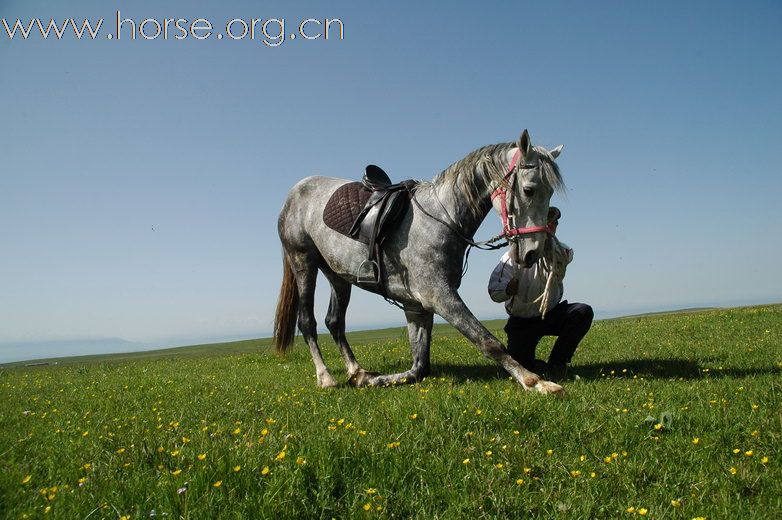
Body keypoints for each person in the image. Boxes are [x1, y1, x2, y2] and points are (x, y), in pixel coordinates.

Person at [487, 207, 593, 379]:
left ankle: (558, 363)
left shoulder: (561, 250)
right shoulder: (509, 258)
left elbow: (564, 256)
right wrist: (507, 290)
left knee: (582, 312)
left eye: (554, 223)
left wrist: (546, 239)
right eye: (547, 222)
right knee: (522, 367)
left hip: (549, 314)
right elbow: (494, 291)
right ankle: (533, 363)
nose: (552, 225)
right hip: (522, 322)